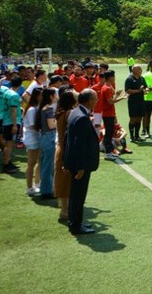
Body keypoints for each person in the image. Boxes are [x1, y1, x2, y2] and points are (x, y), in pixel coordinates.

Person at [64, 89, 100, 235]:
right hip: (81, 164)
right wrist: (80, 167)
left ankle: (74, 221)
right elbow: (79, 145)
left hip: (74, 161)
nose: (96, 101)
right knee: (79, 195)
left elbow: (68, 139)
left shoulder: (75, 112)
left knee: (75, 194)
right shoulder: (82, 117)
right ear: (89, 101)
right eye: (95, 99)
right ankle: (76, 225)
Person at [54, 88, 77, 225]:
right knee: (66, 179)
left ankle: (64, 209)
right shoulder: (69, 113)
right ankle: (65, 210)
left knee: (62, 178)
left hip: (61, 146)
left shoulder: (61, 112)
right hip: (66, 148)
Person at [101, 70, 128, 160]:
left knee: (109, 133)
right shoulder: (106, 88)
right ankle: (108, 153)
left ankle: (109, 151)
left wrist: (117, 95)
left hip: (109, 113)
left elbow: (111, 100)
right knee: (108, 134)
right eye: (113, 76)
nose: (114, 78)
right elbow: (110, 102)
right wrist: (120, 97)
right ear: (110, 77)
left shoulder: (108, 87)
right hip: (107, 114)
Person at [37, 88, 59, 199]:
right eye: (55, 94)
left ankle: (45, 189)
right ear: (51, 96)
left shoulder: (43, 108)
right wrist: (58, 121)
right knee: (48, 166)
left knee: (45, 165)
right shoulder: (49, 109)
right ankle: (46, 191)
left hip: (44, 137)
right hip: (49, 137)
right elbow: (51, 125)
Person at [0, 76, 23, 173]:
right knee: (9, 144)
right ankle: (6, 165)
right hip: (11, 122)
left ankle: (8, 162)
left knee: (8, 143)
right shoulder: (14, 95)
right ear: (20, 84)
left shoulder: (6, 92)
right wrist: (14, 125)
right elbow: (13, 110)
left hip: (6, 120)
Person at [124, 65, 147, 142]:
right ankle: (132, 136)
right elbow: (127, 90)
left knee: (139, 118)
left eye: (141, 69)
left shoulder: (142, 78)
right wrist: (138, 91)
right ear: (134, 71)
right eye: (139, 69)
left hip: (141, 101)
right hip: (133, 102)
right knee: (133, 119)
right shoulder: (129, 79)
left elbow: (145, 87)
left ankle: (137, 135)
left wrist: (146, 90)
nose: (141, 70)